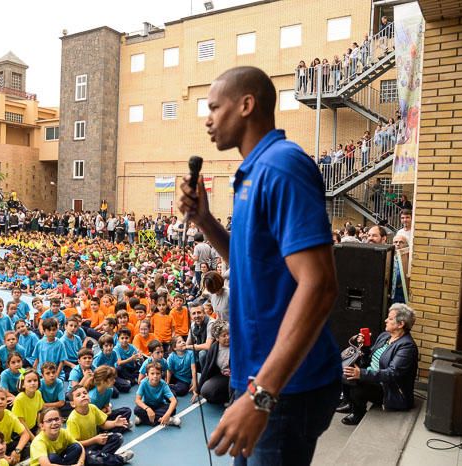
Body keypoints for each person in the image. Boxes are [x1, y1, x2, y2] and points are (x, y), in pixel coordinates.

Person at [178, 66, 341, 465]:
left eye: (215, 107)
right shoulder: (251, 173)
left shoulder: (282, 166)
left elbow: (319, 285)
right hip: (260, 383)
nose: (208, 119)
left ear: (247, 105)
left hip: (285, 390)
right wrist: (205, 222)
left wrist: (262, 395)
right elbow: (250, 263)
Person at [341, 304, 419, 425]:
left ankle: (358, 413)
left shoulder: (407, 347)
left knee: (357, 386)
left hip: (389, 389)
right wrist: (365, 346)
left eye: (390, 318)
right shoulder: (385, 336)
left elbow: (392, 374)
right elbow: (369, 359)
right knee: (345, 371)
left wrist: (361, 373)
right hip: (374, 377)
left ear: (401, 324)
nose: (386, 320)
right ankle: (350, 403)